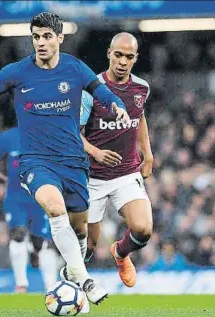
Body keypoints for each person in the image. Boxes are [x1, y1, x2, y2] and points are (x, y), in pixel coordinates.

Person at [0, 12, 130, 304]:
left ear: (59, 38)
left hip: (73, 162)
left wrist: (117, 105)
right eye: (35, 37)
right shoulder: (18, 72)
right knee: (55, 209)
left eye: (46, 36)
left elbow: (102, 92)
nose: (40, 43)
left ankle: (73, 271)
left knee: (80, 227)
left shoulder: (75, 68)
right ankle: (85, 281)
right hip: (35, 162)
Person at [78, 32, 154, 287]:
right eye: (118, 55)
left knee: (143, 230)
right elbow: (74, 133)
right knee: (87, 246)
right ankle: (75, 283)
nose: (122, 61)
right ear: (109, 54)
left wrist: (148, 153)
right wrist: (96, 152)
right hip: (92, 177)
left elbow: (139, 117)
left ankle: (121, 253)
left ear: (135, 59)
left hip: (126, 173)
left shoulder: (141, 88)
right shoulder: (91, 89)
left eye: (129, 57)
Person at [0, 126, 58, 292]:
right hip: (16, 198)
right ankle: (21, 285)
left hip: (41, 198)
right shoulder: (7, 137)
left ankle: (52, 287)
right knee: (17, 236)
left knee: (43, 244)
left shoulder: (49, 134)